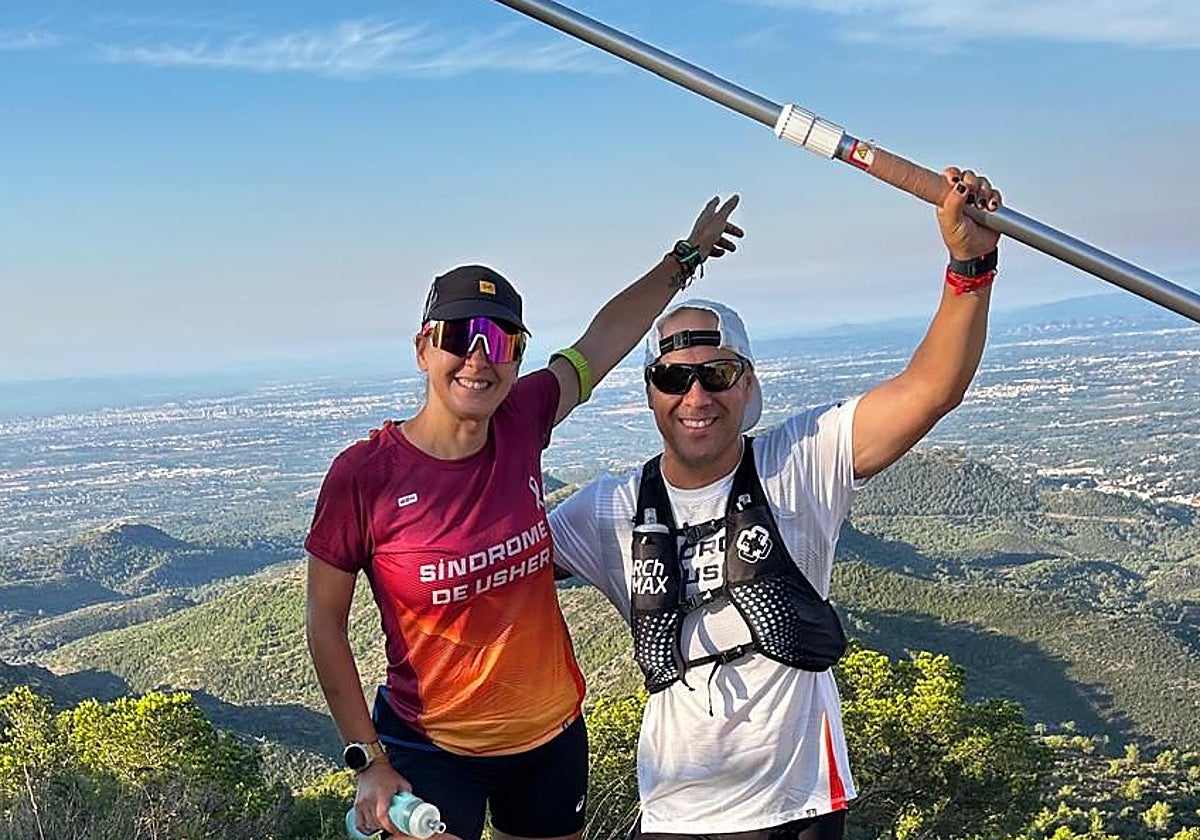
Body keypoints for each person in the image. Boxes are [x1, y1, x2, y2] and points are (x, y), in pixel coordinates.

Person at [548, 167, 1002, 840]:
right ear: (650, 392)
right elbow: (492, 548)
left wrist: (970, 265)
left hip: (799, 809)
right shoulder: (608, 510)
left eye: (717, 374)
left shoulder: (800, 463)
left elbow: (931, 388)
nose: (696, 396)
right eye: (675, 378)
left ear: (747, 382)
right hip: (673, 815)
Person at [304, 195, 744, 840]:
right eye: (460, 336)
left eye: (502, 339)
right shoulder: (364, 476)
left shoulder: (522, 420)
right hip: (430, 748)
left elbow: (601, 341)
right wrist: (367, 760)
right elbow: (325, 627)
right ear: (423, 349)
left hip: (551, 739)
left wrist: (685, 258)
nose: (481, 357)